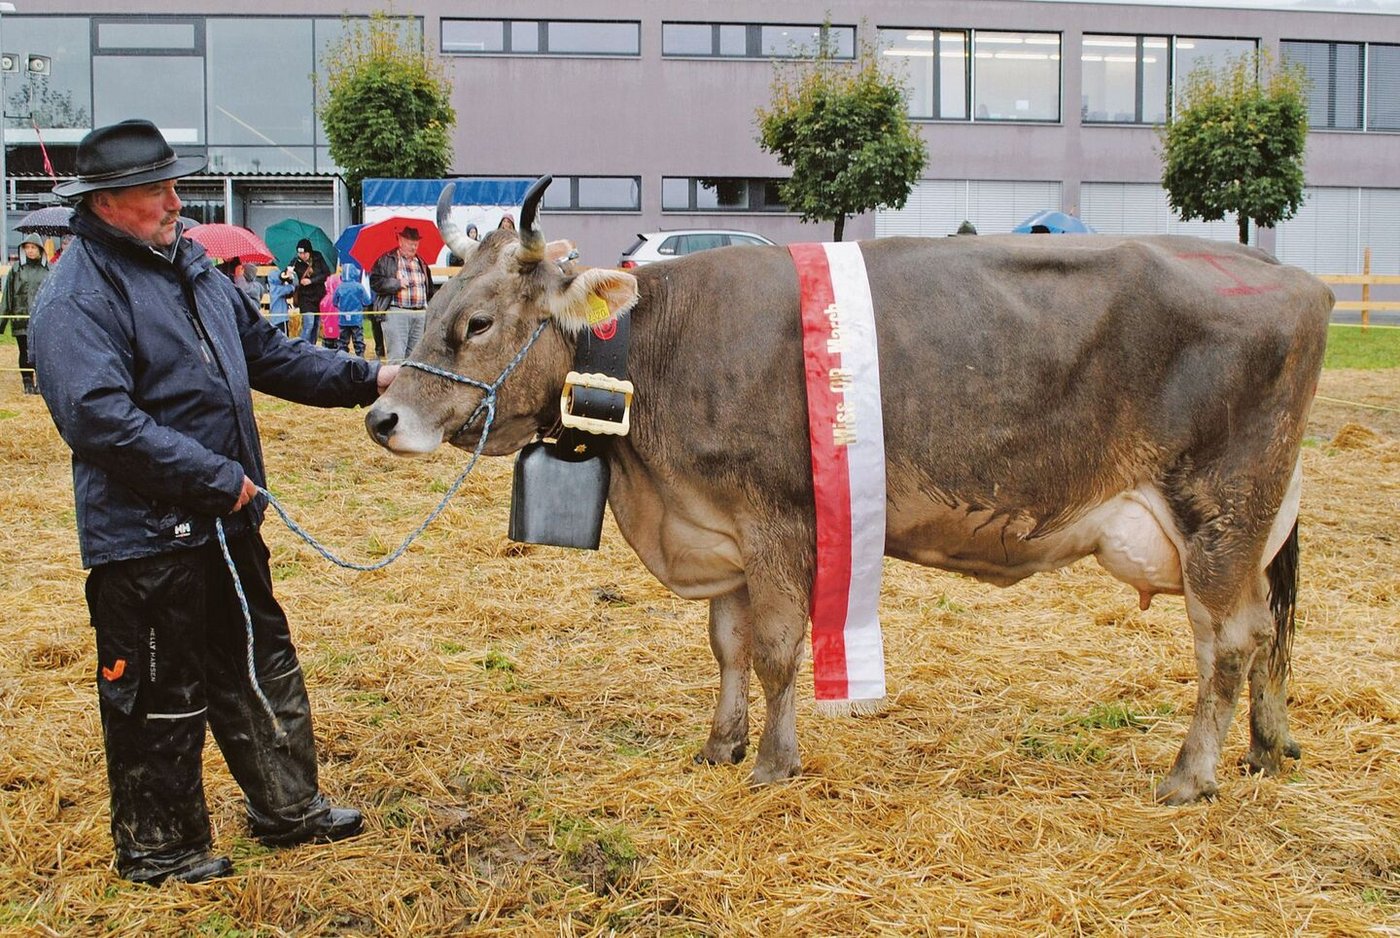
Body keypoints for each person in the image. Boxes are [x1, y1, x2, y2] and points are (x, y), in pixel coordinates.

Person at [31, 119, 399, 886]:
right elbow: (99, 420)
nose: (177, 201)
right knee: (156, 695)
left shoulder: (194, 267)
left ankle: (289, 809)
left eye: (175, 185)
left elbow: (269, 354)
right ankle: (161, 849)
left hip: (229, 524)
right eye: (157, 190)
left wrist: (368, 379)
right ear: (104, 202)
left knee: (260, 665)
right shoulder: (77, 295)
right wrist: (213, 477)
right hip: (145, 540)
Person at [369, 224, 435, 361]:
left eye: (416, 244)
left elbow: (429, 289)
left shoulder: (421, 262)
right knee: (397, 356)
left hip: (420, 314)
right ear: (400, 241)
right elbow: (375, 282)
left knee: (416, 358)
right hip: (397, 312)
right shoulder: (387, 259)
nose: (414, 247)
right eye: (411, 244)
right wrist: (396, 284)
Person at [2, 233, 50, 394]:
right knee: (24, 351)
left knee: (40, 352)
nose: (30, 250)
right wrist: (2, 322)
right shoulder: (17, 269)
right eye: (27, 247)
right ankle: (27, 381)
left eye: (33, 247)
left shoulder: (49, 269)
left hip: (41, 319)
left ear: (40, 249)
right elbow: (8, 295)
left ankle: (41, 383)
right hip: (20, 317)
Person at [292, 238, 330, 344]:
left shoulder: (318, 257)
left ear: (310, 252)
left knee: (316, 325)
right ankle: (301, 347)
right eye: (300, 253)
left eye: (304, 253)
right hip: (305, 297)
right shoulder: (295, 262)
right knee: (309, 324)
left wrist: (311, 281)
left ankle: (311, 347)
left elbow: (326, 273)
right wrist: (287, 275)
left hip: (318, 296)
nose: (302, 255)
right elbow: (286, 274)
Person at [333, 262, 371, 357]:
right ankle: (360, 358)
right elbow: (367, 301)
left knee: (342, 342)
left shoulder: (339, 287)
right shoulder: (359, 286)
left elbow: (334, 302)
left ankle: (342, 359)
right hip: (356, 319)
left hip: (343, 320)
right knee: (358, 341)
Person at [267, 267, 295, 336]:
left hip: (274, 319)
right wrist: (289, 279)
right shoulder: (277, 289)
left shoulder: (272, 288)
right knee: (284, 338)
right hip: (281, 318)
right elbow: (291, 288)